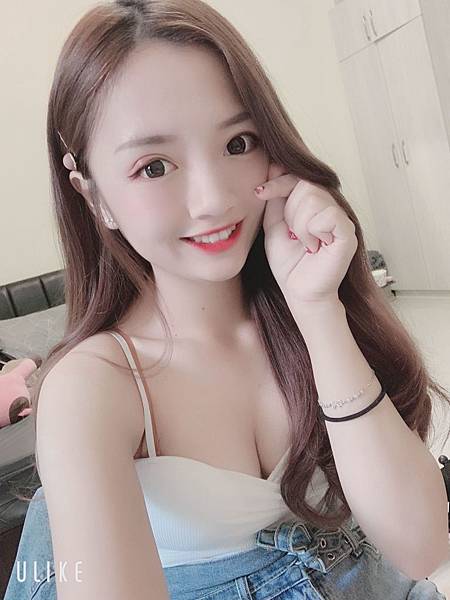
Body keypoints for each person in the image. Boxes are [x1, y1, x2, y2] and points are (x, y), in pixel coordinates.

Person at [5, 0, 449, 598]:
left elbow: (423, 548)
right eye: (154, 166)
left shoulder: (306, 313)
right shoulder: (94, 388)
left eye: (238, 143)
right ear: (93, 195)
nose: (214, 199)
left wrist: (317, 310)